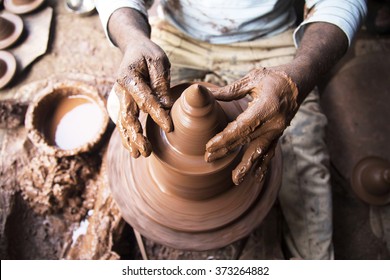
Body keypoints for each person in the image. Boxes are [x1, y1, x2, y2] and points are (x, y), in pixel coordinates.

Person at [95, 0, 367, 259]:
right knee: (133, 118)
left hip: (270, 41)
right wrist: (133, 39)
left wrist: (299, 76)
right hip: (178, 35)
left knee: (304, 145)